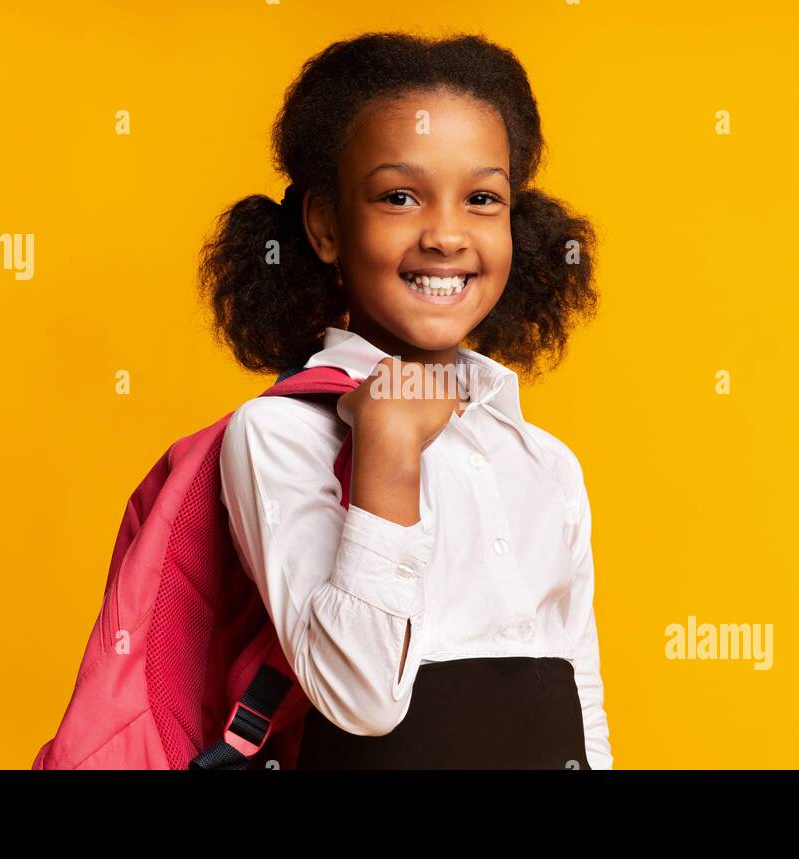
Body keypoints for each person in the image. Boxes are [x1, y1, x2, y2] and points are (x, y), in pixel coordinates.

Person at [200, 31, 609, 769]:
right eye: (399, 196)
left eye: (482, 198)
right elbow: (359, 696)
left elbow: (580, 694)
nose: (448, 234)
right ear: (325, 226)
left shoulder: (546, 464)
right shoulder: (278, 435)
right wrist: (387, 445)